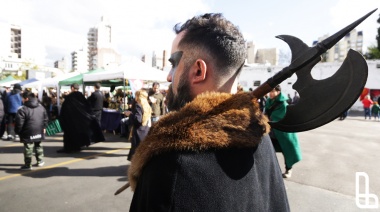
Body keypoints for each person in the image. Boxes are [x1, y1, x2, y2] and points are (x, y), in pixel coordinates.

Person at [127, 13, 289, 211]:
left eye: (173, 64)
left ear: (198, 71)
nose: (169, 77)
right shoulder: (260, 137)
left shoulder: (172, 164)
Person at [264, 85, 302, 178]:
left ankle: (288, 169)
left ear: (278, 92)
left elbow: (281, 117)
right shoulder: (269, 101)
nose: (271, 93)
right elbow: (266, 113)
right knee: (268, 149)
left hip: (282, 132)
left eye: (273, 91)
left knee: (287, 150)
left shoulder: (283, 104)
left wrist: (269, 119)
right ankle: (269, 170)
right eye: (270, 91)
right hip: (271, 131)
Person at [57, 83, 105, 153]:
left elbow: (65, 109)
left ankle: (69, 148)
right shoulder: (81, 96)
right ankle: (77, 146)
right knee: (78, 133)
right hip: (79, 120)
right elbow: (87, 106)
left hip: (70, 120)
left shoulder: (70, 97)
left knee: (69, 134)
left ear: (72, 88)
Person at [15, 91, 48, 170]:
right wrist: (44, 127)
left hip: (28, 131)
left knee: (28, 147)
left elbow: (19, 123)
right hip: (39, 130)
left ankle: (28, 164)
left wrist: (18, 131)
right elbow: (46, 118)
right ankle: (40, 161)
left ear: (26, 99)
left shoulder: (22, 109)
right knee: (38, 145)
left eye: (23, 98)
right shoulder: (41, 106)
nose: (22, 100)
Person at [124, 90, 151, 161]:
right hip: (145, 129)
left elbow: (138, 120)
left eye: (136, 95)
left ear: (138, 96)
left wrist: (130, 114)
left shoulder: (138, 105)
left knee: (137, 152)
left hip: (138, 131)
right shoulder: (147, 105)